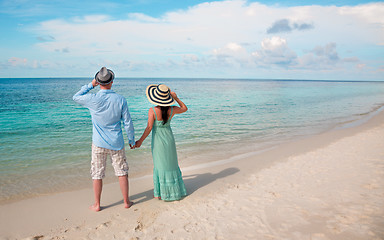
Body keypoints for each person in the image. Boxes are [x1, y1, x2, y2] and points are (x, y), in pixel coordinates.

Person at [73, 67, 135, 211]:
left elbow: (76, 97)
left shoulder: (92, 99)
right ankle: (126, 202)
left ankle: (97, 204)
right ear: (112, 81)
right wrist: (131, 140)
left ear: (98, 81)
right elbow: (127, 122)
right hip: (117, 142)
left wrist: (90, 85)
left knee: (97, 174)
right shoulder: (120, 99)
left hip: (98, 143)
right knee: (122, 172)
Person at [135, 84, 188, 201]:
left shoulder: (152, 110)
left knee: (160, 165)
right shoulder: (172, 109)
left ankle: (160, 193)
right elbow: (185, 108)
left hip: (158, 141)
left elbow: (149, 128)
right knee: (171, 164)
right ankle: (175, 191)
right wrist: (177, 98)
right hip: (169, 140)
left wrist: (140, 141)